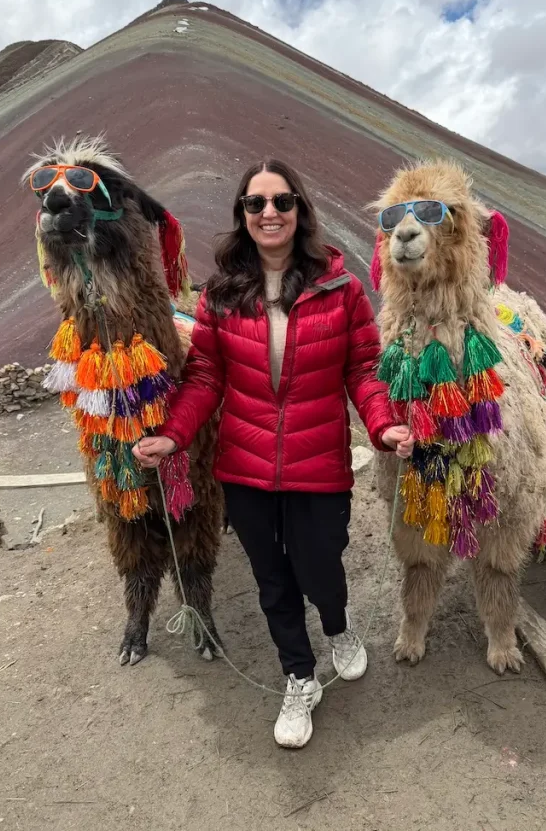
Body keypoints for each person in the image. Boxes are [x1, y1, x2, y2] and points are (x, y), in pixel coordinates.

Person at [133, 159, 413, 749]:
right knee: (273, 582)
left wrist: (384, 425)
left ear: (299, 211)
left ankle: (338, 626)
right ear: (242, 214)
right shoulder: (221, 296)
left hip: (320, 467)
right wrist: (173, 435)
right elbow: (205, 374)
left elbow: (363, 369)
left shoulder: (341, 290)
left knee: (321, 569)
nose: (269, 213)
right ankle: (299, 677)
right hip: (246, 469)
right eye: (255, 203)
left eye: (281, 202)